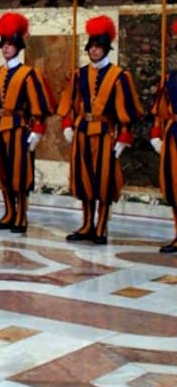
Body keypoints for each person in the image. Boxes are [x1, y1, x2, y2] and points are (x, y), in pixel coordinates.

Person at [59, 16, 142, 244]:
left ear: (106, 49)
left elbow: (128, 110)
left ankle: (101, 227)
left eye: (98, 47)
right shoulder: (79, 75)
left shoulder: (119, 76)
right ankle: (86, 224)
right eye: (91, 47)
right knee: (84, 180)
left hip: (106, 133)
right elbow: (69, 103)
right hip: (82, 131)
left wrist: (123, 138)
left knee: (103, 182)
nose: (94, 51)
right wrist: (68, 125)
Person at [0, 13, 55, 234]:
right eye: (3, 44)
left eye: (10, 45)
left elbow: (39, 105)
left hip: (19, 128)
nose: (5, 49)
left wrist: (38, 130)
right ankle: (8, 212)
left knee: (20, 174)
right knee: (2, 173)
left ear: (18, 47)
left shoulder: (30, 74)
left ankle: (21, 214)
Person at [150, 18, 177, 253]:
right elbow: (160, 110)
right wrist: (157, 134)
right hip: (174, 135)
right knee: (175, 188)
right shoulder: (170, 79)